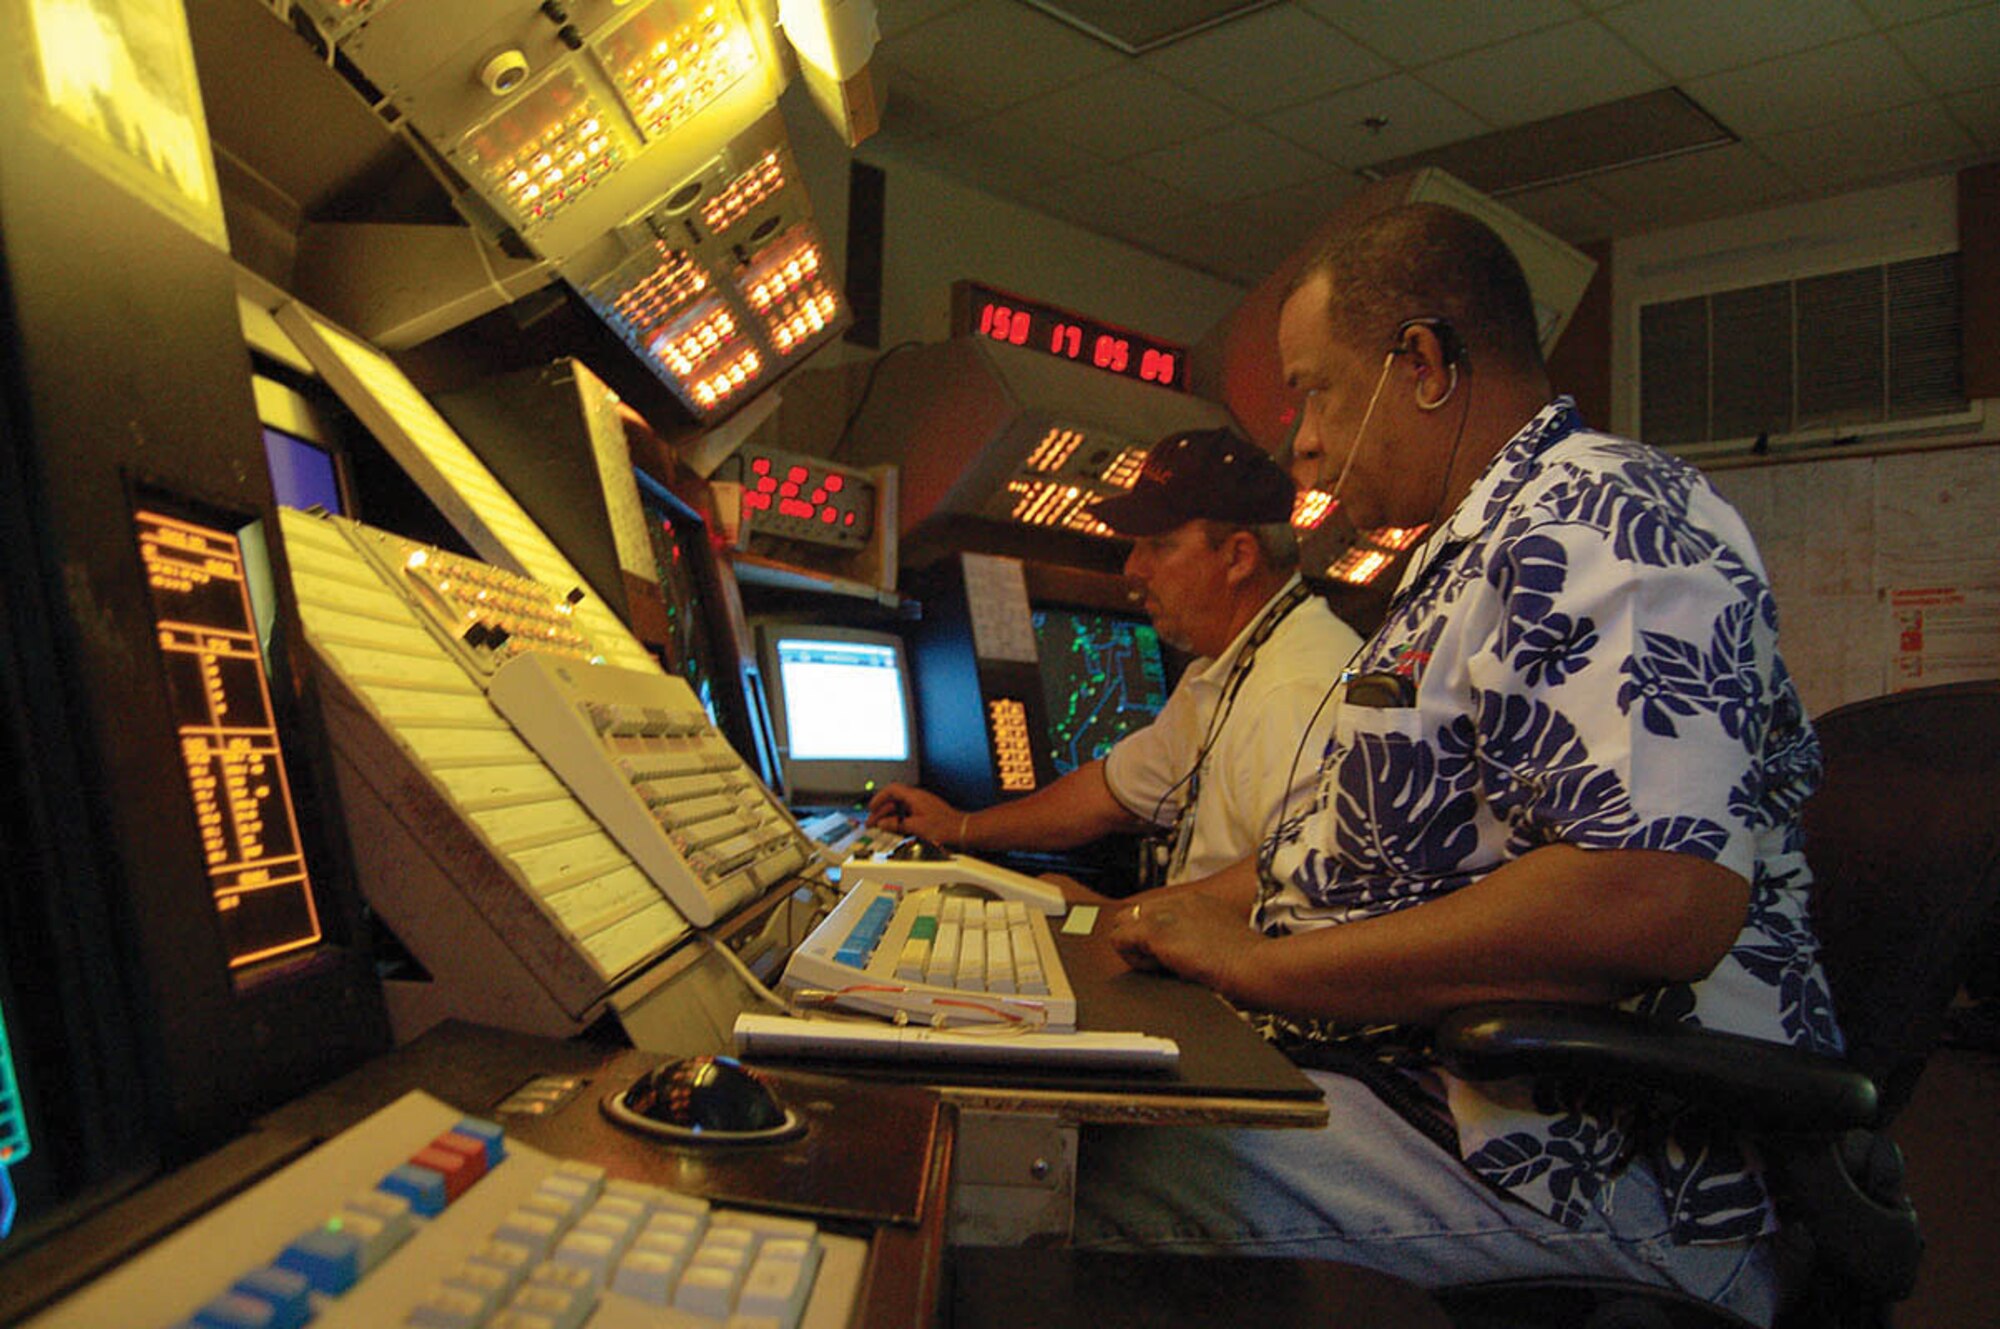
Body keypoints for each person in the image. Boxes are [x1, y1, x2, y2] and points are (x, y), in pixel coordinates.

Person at [1069, 203, 1836, 1328]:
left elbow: (1652, 894)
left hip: (1577, 1161)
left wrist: (1258, 968)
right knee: (1057, 1099)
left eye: (1315, 391)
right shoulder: (1466, 553)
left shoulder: (1606, 519)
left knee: (1045, 1173)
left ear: (1420, 363)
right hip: (1431, 1099)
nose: (1303, 444)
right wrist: (1155, 918)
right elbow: (1346, 846)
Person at [866, 427, 1360, 889]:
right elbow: (1107, 793)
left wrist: (1123, 918)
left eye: (1158, 546)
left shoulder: (1297, 689)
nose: (1132, 568)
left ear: (1238, 558)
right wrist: (960, 827)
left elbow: (1292, 883)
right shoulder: (1220, 671)